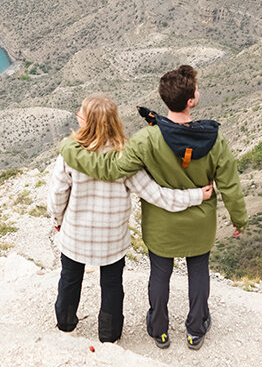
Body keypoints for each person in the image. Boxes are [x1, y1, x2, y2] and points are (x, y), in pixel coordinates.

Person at [57, 66, 246, 350]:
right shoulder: (215, 139)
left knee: (158, 274)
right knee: (198, 273)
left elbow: (110, 168)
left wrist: (69, 150)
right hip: (199, 223)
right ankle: (195, 329)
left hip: (159, 226)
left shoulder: (147, 139)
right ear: (192, 99)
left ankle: (159, 329)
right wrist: (238, 218)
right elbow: (229, 184)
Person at [48, 94, 213, 344]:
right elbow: (157, 195)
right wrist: (195, 196)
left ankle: (65, 323)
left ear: (89, 122)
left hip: (76, 235)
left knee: (70, 278)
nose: (77, 117)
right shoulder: (127, 158)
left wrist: (57, 219)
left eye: (80, 114)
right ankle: (110, 335)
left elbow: (58, 195)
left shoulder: (70, 156)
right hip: (112, 239)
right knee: (112, 285)